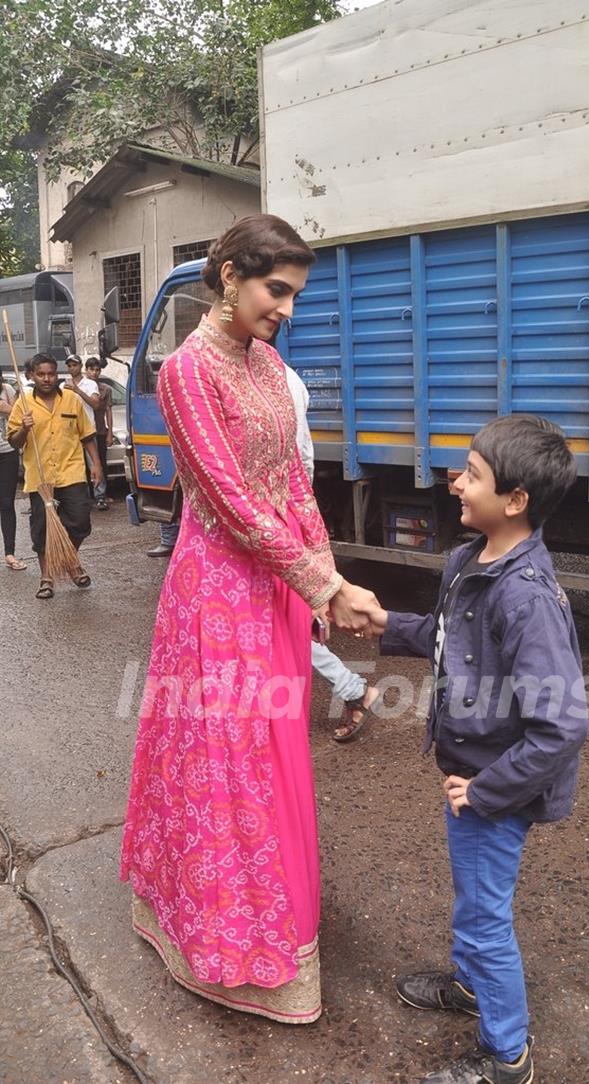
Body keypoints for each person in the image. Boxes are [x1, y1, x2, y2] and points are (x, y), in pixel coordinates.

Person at [120, 214, 376, 1024]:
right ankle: (227, 936)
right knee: (229, 764)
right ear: (228, 274)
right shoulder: (186, 374)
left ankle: (273, 920)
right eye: (277, 290)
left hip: (273, 588)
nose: (287, 309)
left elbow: (294, 482)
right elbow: (231, 504)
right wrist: (318, 583)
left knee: (273, 754)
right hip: (219, 594)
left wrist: (324, 580)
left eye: (294, 294)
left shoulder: (265, 364)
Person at [354, 415, 589, 1084]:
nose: (456, 482)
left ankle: (506, 1054)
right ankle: (472, 988)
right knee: (473, 898)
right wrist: (388, 624)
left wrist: (486, 791)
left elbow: (564, 724)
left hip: (495, 788)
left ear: (515, 500)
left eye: (473, 475)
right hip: (472, 772)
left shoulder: (526, 598)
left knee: (486, 916)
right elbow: (449, 636)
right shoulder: (469, 561)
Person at [282, 361, 380, 741]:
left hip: (278, 520)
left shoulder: (274, 377)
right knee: (287, 622)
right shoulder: (286, 376)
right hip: (289, 515)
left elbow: (297, 459)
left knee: (286, 622)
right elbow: (303, 459)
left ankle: (354, 690)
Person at [7, 353, 103, 599]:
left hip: (71, 472)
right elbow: (15, 442)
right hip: (40, 478)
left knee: (81, 523)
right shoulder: (23, 404)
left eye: (51, 374)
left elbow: (87, 436)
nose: (47, 379)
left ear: (56, 375)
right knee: (42, 530)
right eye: (41, 374)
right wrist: (24, 428)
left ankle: (69, 559)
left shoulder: (71, 400)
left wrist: (97, 465)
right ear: (32, 376)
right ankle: (47, 577)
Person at [62, 354, 105, 509]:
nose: (72, 368)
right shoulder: (63, 385)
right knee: (76, 466)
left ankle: (100, 496)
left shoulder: (90, 384)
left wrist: (77, 390)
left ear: (80, 366)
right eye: (69, 365)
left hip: (88, 430)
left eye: (75, 365)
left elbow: (95, 404)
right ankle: (82, 497)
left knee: (94, 462)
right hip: (70, 431)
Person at [0, 375, 26, 570]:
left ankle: (10, 553)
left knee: (7, 503)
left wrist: (11, 405)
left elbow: (16, 415)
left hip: (7, 452)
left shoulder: (7, 390)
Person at [84, 357, 112, 510]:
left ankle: (101, 496)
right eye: (91, 369)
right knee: (82, 465)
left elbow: (108, 411)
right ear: (86, 370)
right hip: (82, 431)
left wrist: (109, 433)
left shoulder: (105, 389)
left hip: (99, 430)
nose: (94, 372)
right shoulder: (80, 387)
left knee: (99, 462)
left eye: (97, 370)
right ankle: (86, 496)